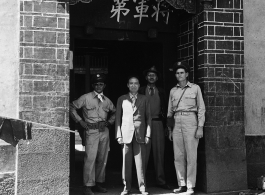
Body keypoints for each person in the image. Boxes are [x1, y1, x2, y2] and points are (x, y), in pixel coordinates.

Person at [70, 73, 116, 195]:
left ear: (104, 86)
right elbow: (72, 107)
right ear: (93, 85)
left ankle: (99, 183)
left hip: (104, 131)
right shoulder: (86, 98)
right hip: (91, 131)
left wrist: (109, 122)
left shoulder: (107, 101)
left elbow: (115, 112)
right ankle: (88, 185)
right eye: (96, 84)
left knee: (102, 158)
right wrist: (80, 121)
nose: (99, 86)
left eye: (101, 84)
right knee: (90, 158)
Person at [167, 61, 206, 195]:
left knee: (191, 155)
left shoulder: (195, 88)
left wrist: (200, 127)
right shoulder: (173, 91)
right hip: (177, 122)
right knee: (178, 155)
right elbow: (169, 112)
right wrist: (170, 129)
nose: (179, 75)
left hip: (191, 121)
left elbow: (201, 108)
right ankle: (181, 184)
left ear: (187, 74)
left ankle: (190, 186)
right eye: (177, 73)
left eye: (182, 73)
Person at [115, 76, 152, 195]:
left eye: (136, 83)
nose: (133, 85)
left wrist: (148, 134)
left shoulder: (144, 99)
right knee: (126, 162)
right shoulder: (122, 99)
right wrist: (118, 135)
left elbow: (148, 118)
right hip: (126, 134)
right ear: (127, 85)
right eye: (131, 83)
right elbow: (118, 119)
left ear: (139, 85)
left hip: (140, 134)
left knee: (140, 162)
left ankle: (142, 187)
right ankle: (126, 187)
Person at [138, 66, 170, 190]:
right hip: (144, 124)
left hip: (157, 123)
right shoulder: (140, 90)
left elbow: (167, 108)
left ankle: (161, 181)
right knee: (143, 153)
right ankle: (142, 182)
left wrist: (167, 125)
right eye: (149, 75)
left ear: (157, 78)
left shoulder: (161, 91)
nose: (151, 77)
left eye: (154, 75)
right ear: (146, 77)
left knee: (159, 153)